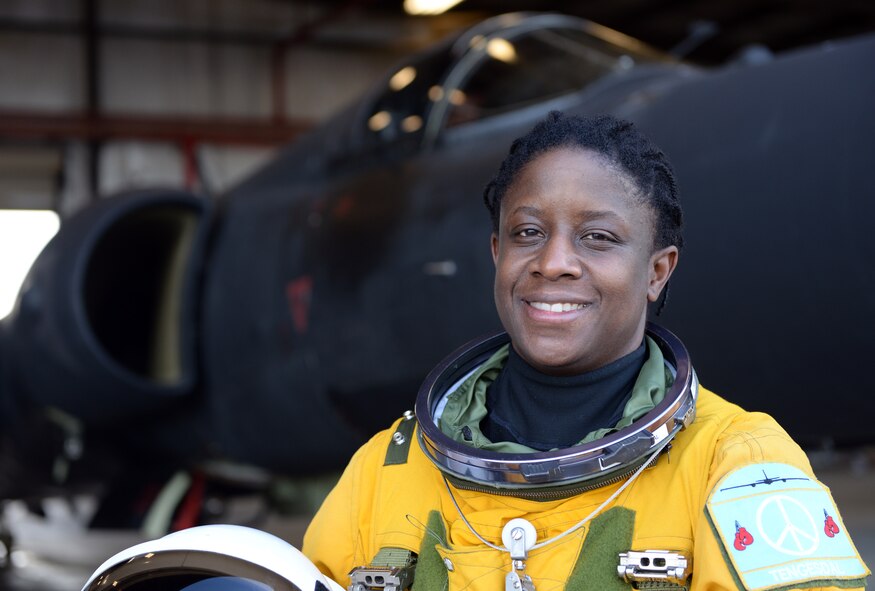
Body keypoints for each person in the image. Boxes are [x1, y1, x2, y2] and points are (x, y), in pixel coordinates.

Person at [302, 112, 870, 591]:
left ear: (656, 271)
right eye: (527, 233)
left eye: (598, 237)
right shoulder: (387, 469)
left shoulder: (740, 466)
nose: (553, 262)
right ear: (497, 252)